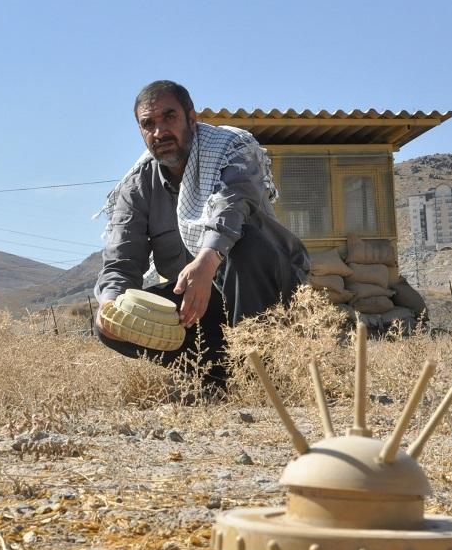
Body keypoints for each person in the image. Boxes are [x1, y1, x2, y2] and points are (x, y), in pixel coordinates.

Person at [94, 80, 309, 387]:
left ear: (191, 120)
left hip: (266, 291)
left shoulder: (232, 150)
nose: (159, 132)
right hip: (197, 307)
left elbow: (231, 208)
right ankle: (217, 375)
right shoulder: (137, 186)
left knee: (246, 246)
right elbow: (121, 261)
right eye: (148, 124)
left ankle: (263, 376)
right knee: (112, 323)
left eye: (169, 118)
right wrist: (109, 304)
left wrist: (206, 263)